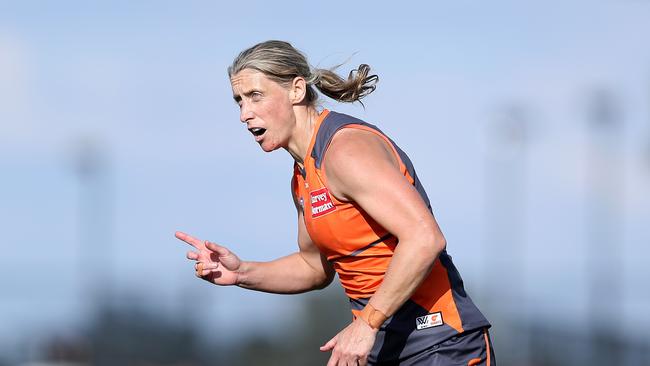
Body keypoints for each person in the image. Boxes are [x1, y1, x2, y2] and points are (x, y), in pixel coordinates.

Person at [175, 40, 495, 366]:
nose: (245, 114)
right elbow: (314, 267)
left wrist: (367, 323)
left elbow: (425, 238)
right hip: (381, 348)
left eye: (256, 96)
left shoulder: (345, 151)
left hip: (441, 342)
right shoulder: (302, 176)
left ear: (296, 90)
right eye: (239, 101)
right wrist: (242, 272)